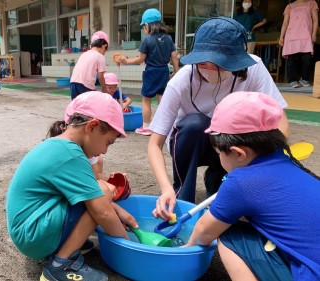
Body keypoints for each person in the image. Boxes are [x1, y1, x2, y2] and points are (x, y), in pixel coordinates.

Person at [148, 17, 290, 221]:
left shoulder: (253, 68)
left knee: (244, 126)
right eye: (204, 62)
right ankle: (182, 195)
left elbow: (279, 120)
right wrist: (165, 188)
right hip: (191, 141)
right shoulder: (180, 81)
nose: (211, 68)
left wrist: (273, 156)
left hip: (229, 141)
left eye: (221, 64)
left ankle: (219, 182)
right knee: (195, 123)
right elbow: (155, 144)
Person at [186, 91, 320, 281]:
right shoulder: (288, 163)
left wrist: (185, 248)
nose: (219, 159)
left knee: (229, 234)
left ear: (238, 153)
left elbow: (203, 233)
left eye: (218, 154)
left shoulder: (241, 182)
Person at [6, 91, 138, 281]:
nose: (104, 151)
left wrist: (119, 211)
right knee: (103, 190)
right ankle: (61, 264)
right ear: (92, 127)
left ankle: (68, 243)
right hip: (33, 236)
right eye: (108, 142)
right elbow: (102, 210)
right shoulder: (71, 155)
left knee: (99, 190)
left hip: (29, 230)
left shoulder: (61, 146)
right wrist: (129, 246)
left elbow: (92, 191)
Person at [119, 8, 179, 136]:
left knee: (146, 100)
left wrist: (126, 61)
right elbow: (174, 56)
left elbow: (141, 59)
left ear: (147, 25)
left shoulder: (147, 40)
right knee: (162, 99)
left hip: (151, 72)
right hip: (164, 71)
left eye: (143, 26)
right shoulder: (168, 38)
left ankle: (146, 127)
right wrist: (176, 71)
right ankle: (165, 126)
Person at [279, 0, 318, 88]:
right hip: (291, 36)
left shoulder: (312, 3)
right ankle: (292, 80)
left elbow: (315, 20)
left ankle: (304, 79)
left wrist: (314, 34)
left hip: (306, 35)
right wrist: (281, 36)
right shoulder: (289, 6)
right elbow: (285, 23)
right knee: (291, 60)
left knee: (307, 58)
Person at [69, 31, 109, 100]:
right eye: (105, 50)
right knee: (91, 106)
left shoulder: (84, 54)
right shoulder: (100, 56)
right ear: (104, 46)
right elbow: (100, 76)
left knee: (77, 107)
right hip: (85, 85)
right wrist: (104, 88)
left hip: (73, 83)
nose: (104, 53)